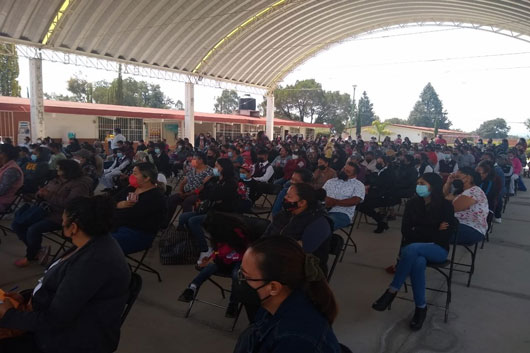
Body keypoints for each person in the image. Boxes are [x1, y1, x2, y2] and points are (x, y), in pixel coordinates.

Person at [0, 196, 130, 353]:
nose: (61, 224)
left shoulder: (93, 263)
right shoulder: (90, 243)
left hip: (68, 341)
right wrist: (28, 297)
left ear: (73, 227)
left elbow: (55, 320)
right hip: (57, 323)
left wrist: (10, 315)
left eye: (63, 221)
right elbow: (59, 288)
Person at [372, 173, 457, 330]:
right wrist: (433, 228)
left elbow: (445, 234)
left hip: (437, 248)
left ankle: (392, 290)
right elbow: (406, 231)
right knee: (417, 261)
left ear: (433, 186)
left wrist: (420, 229)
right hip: (414, 247)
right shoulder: (412, 204)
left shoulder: (445, 206)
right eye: (418, 182)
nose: (419, 186)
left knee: (412, 249)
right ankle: (420, 308)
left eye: (422, 183)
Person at [233, 236, 340, 353]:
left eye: (245, 276)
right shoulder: (272, 306)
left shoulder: (296, 339)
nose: (240, 280)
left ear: (273, 287)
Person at [12, 159, 93, 267]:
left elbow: (72, 204)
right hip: (43, 209)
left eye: (59, 169)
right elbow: (44, 191)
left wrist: (48, 195)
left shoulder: (80, 184)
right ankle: (38, 250)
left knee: (33, 229)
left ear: (67, 171)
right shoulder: (57, 179)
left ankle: (30, 256)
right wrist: (40, 194)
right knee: (17, 224)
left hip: (61, 216)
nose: (57, 170)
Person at [178, 212, 251, 318]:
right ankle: (192, 288)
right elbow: (217, 250)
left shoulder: (237, 231)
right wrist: (210, 258)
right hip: (223, 260)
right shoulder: (218, 234)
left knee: (237, 276)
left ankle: (233, 303)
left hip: (240, 260)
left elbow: (226, 250)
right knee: (208, 268)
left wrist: (213, 258)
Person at [178, 158, 239, 264]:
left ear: (223, 168)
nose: (214, 168)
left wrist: (209, 185)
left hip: (222, 212)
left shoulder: (230, 182)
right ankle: (195, 242)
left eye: (217, 166)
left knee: (193, 221)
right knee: (183, 217)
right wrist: (208, 185)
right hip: (210, 209)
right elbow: (204, 195)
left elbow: (215, 196)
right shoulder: (215, 179)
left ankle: (205, 249)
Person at [264, 183, 332, 273]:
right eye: (286, 195)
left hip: (305, 269)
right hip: (275, 259)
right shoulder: (284, 214)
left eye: (289, 196)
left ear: (302, 202)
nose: (285, 198)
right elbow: (266, 235)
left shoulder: (319, 223)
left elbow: (301, 252)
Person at [111, 162, 167, 255]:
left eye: (135, 173)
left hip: (138, 233)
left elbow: (130, 216)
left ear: (147, 178)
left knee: (97, 244)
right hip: (119, 225)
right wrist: (119, 205)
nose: (131, 176)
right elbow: (111, 200)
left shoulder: (156, 197)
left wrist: (111, 210)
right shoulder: (131, 189)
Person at [444, 167, 489, 245]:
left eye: (457, 177)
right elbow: (445, 197)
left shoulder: (474, 191)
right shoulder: (463, 191)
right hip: (460, 224)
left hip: (471, 229)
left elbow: (451, 209)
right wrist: (448, 182)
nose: (455, 179)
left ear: (468, 178)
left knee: (433, 232)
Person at [167, 152, 213, 218]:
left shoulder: (209, 171)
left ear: (201, 160)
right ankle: (165, 222)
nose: (192, 161)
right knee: (172, 199)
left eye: (194, 159)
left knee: (187, 202)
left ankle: (184, 224)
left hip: (198, 193)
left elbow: (202, 187)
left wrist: (188, 194)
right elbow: (183, 182)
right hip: (186, 191)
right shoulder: (193, 169)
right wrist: (180, 191)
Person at [359, 156, 397, 233]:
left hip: (386, 196)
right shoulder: (380, 170)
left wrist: (371, 187)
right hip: (378, 193)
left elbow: (384, 185)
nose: (378, 164)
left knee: (362, 204)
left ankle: (380, 221)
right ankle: (380, 220)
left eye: (380, 162)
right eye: (377, 162)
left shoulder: (389, 172)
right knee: (360, 203)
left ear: (387, 163)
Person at [323, 162, 365, 230]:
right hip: (322, 209)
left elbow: (355, 200)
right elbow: (321, 194)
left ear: (354, 174)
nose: (343, 172)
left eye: (347, 171)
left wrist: (334, 202)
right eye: (343, 169)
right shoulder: (331, 181)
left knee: (324, 224)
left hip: (342, 213)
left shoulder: (358, 185)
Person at [0, 144, 23, 212]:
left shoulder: (12, 170)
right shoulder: (5, 166)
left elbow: (1, 191)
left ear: (4, 154)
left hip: (3, 202)